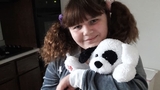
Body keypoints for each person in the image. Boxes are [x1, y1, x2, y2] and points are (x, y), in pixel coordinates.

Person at [40, 0, 148, 90]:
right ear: (69, 30)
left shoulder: (124, 53)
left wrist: (80, 79)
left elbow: (138, 87)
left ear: (107, 19)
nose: (87, 31)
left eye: (93, 21)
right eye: (77, 26)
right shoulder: (60, 58)